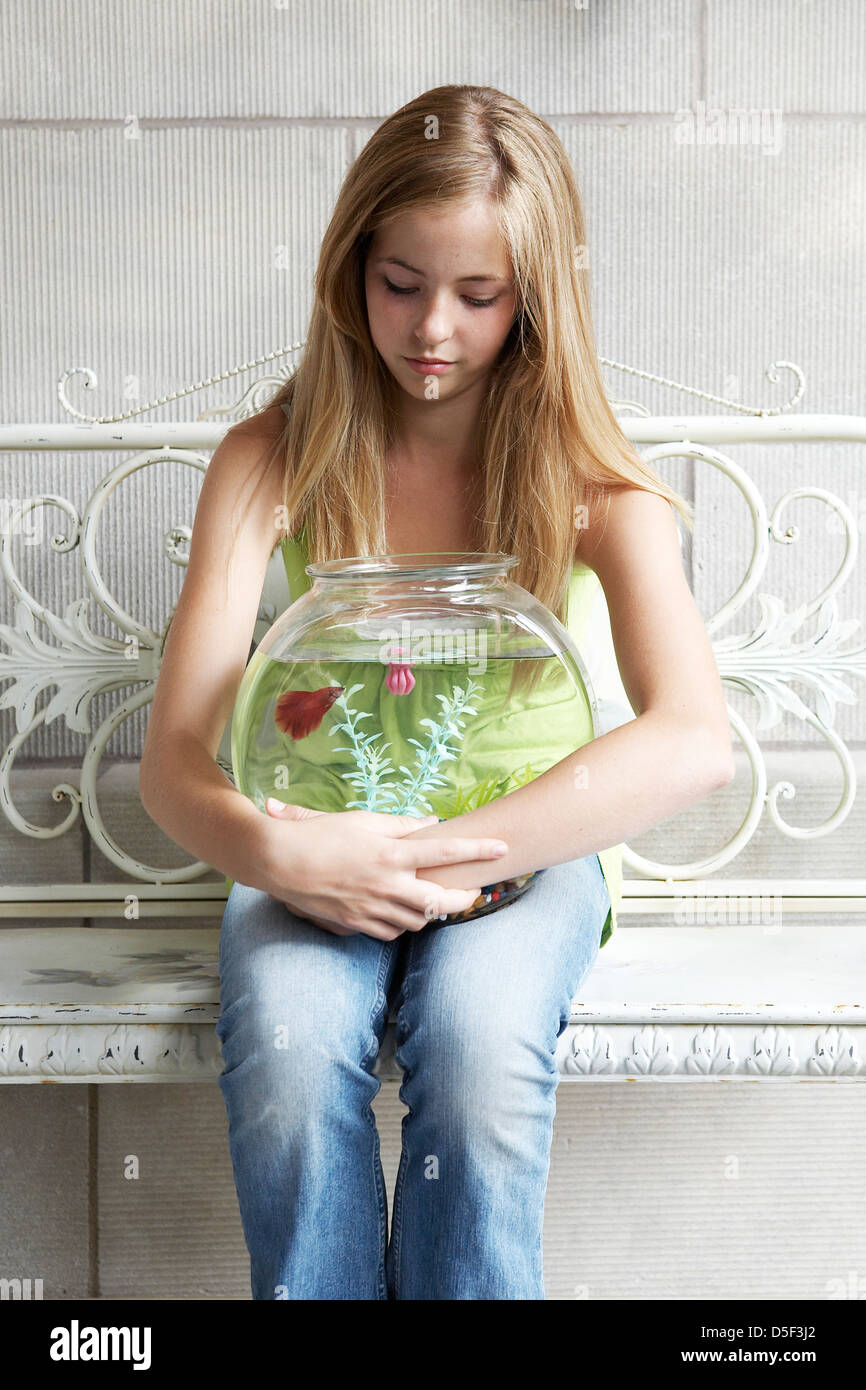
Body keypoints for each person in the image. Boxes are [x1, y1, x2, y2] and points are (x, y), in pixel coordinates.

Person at [140, 84, 734, 1300]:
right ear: (349, 265)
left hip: (523, 853)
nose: (430, 330)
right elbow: (174, 760)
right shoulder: (272, 460)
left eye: (479, 295)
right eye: (399, 281)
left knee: (474, 1047)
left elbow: (691, 741)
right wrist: (277, 849)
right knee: (294, 1046)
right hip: (310, 844)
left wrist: (451, 853)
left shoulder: (587, 480)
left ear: (537, 298)